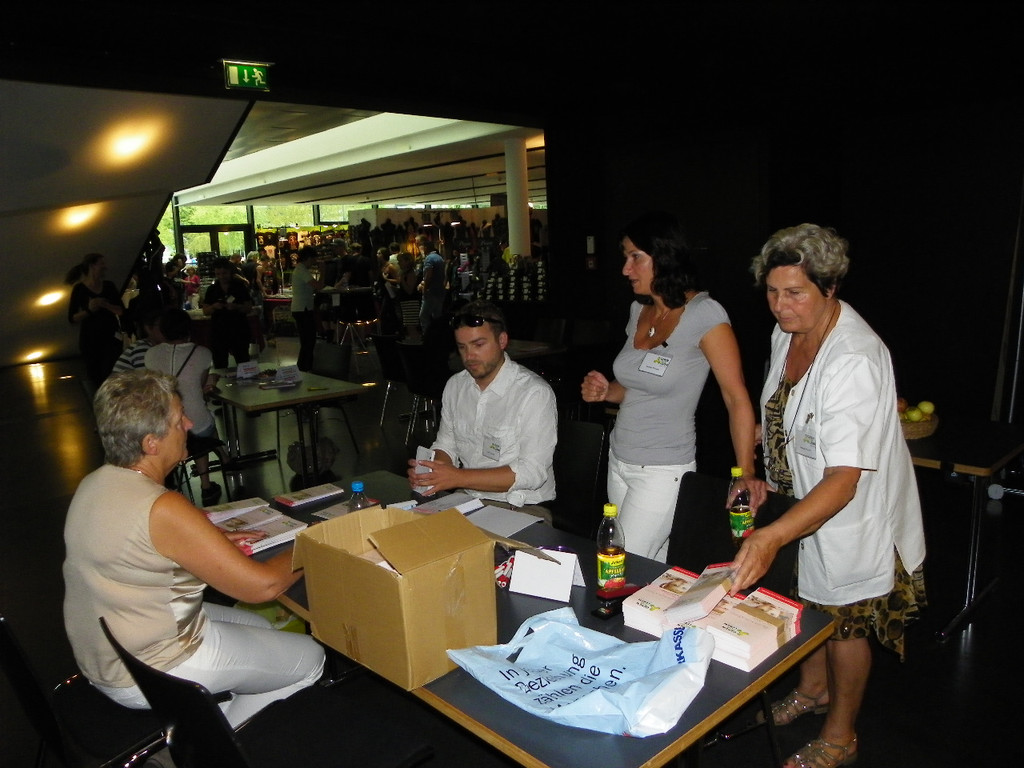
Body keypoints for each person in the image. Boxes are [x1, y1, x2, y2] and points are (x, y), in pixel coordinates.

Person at [730, 224, 927, 768]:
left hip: (850, 512)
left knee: (844, 625)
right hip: (799, 500)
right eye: (773, 292)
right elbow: (782, 415)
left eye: (795, 293)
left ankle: (841, 735)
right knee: (806, 604)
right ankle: (812, 690)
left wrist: (770, 536)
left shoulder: (854, 358)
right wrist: (756, 471)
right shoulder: (787, 333)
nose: (780, 306)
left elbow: (843, 478)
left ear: (830, 287)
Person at [63, 369, 324, 728]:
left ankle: (219, 712)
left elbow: (141, 548)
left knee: (262, 627)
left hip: (111, 652)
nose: (188, 424)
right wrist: (316, 543)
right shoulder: (162, 506)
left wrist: (209, 542)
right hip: (151, 670)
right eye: (178, 420)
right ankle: (210, 745)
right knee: (309, 658)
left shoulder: (96, 483)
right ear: (151, 444)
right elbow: (262, 587)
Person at [580, 212, 765, 561]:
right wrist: (607, 391)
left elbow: (735, 397)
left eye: (635, 257)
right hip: (620, 460)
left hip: (663, 471)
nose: (626, 269)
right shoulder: (638, 311)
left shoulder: (705, 314)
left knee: (621, 566)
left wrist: (747, 472)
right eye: (625, 257)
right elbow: (635, 388)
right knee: (652, 569)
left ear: (663, 256)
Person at [408, 300, 557, 518]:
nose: (469, 356)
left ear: (502, 340)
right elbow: (446, 445)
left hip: (521, 506)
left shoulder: (534, 393)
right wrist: (433, 473)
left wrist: (457, 477)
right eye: (462, 347)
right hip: (467, 498)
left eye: (478, 345)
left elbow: (532, 472)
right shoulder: (456, 386)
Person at [145, 308, 224, 505]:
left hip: (163, 426)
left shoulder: (151, 354)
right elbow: (201, 387)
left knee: (188, 428)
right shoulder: (203, 353)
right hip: (197, 427)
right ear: (189, 329)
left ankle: (167, 486)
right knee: (202, 425)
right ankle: (206, 484)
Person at [65, 252, 126, 393]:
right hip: (90, 340)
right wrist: (90, 310)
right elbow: (72, 318)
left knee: (111, 373)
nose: (105, 267)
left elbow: (121, 311)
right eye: (101, 264)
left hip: (111, 338)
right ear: (92, 266)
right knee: (95, 376)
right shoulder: (79, 289)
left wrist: (105, 305)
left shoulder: (109, 286)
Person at [201, 257, 253, 369]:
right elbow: (205, 311)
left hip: (239, 330)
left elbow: (249, 307)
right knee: (220, 364)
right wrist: (214, 306)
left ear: (230, 272)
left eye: (224, 273)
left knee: (243, 361)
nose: (221, 276)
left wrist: (236, 307)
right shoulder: (212, 289)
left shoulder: (239, 287)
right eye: (218, 274)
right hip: (219, 331)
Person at [290, 246, 322, 371]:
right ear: (308, 258)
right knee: (308, 340)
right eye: (313, 259)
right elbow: (318, 286)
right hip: (302, 309)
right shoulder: (301, 270)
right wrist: (323, 271)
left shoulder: (301, 269)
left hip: (302, 308)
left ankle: (305, 366)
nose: (314, 262)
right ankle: (304, 367)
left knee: (307, 340)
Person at [112, 308, 165, 373]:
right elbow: (146, 377)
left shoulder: (150, 347)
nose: (165, 329)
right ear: (148, 328)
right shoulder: (142, 348)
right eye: (162, 326)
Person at [416, 234, 446, 334]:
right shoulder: (439, 257)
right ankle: (439, 335)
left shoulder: (429, 259)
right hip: (440, 290)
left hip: (431, 291)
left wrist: (424, 289)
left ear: (425, 247)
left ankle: (428, 336)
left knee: (424, 316)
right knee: (437, 316)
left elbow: (428, 275)